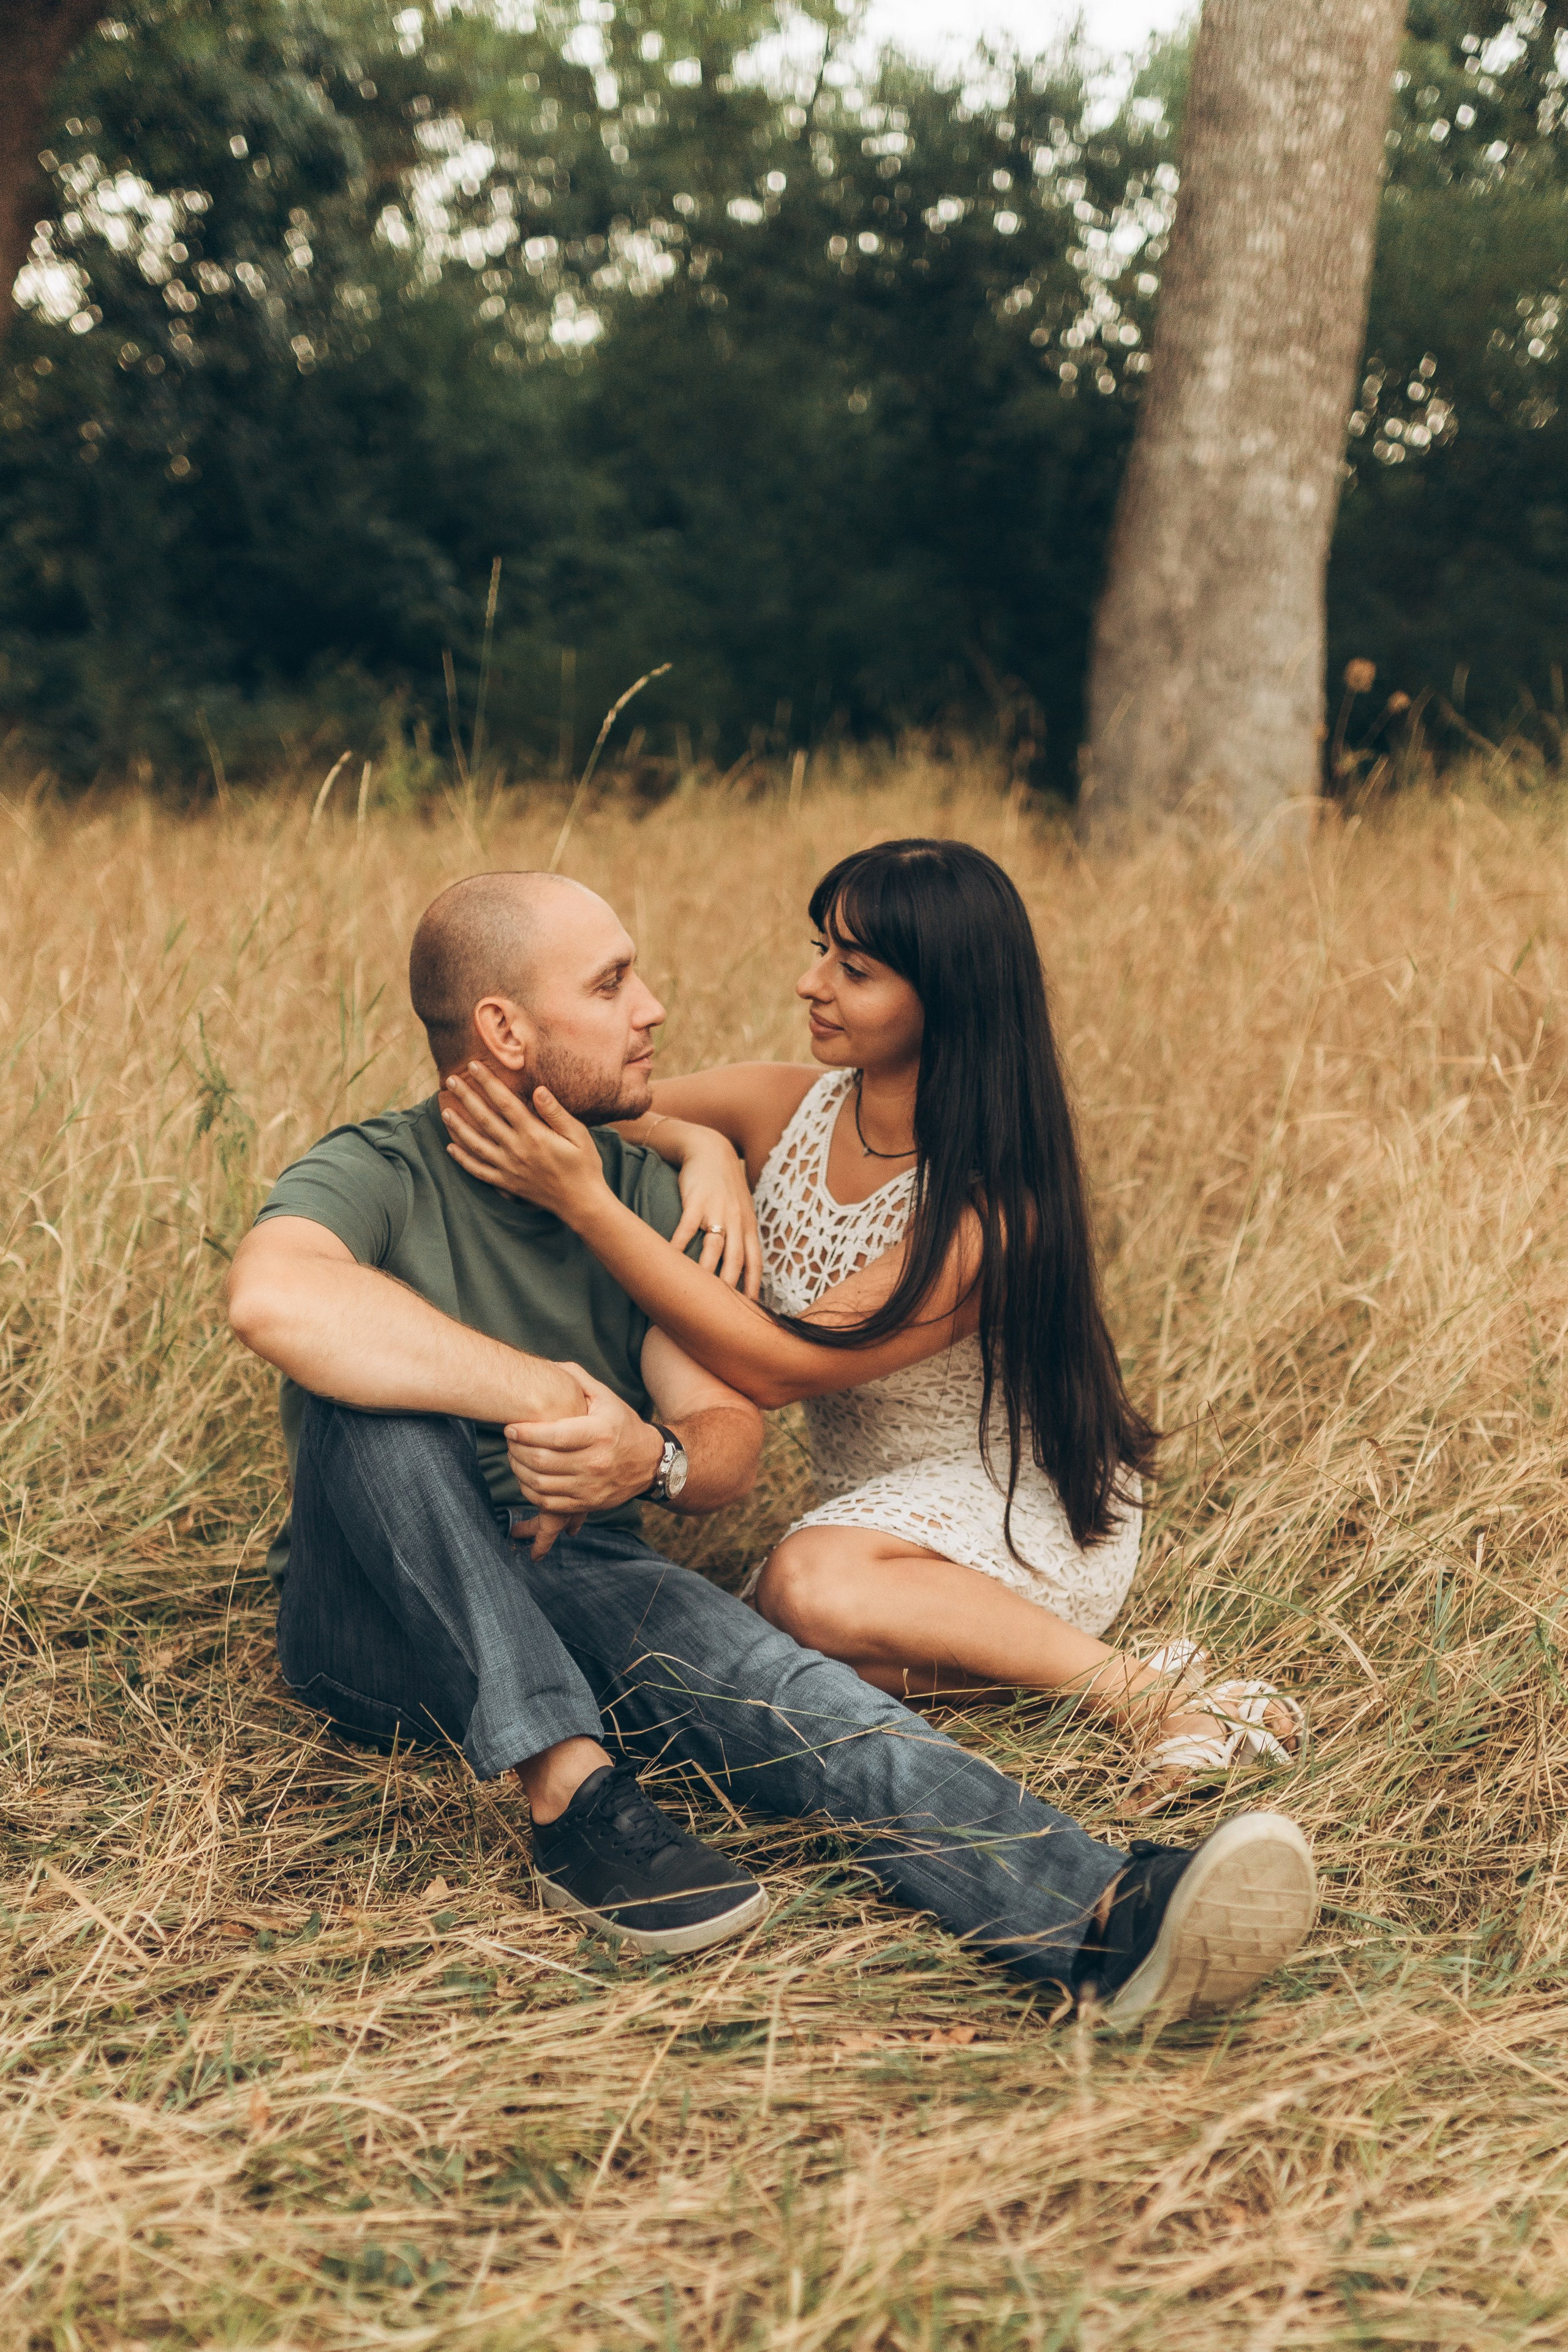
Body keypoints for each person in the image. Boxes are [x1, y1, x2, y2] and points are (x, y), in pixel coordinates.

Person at [227, 867, 1318, 2025]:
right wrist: (550, 1395)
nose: (653, 1006)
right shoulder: (377, 1171)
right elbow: (275, 1301)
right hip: (376, 1619)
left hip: (575, 1575)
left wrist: (649, 1463)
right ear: (504, 1028)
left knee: (792, 1691)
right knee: (368, 1395)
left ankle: (1106, 1917)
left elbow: (731, 1434)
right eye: (613, 984)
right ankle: (574, 1795)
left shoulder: (647, 1193)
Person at [439, 840, 1302, 1806]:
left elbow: (780, 1368)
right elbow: (595, 1105)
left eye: (855, 970)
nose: (812, 984)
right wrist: (701, 1147)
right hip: (864, 1511)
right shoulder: (781, 1107)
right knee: (785, 1645)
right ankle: (1032, 1666)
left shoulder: (990, 1208)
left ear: (949, 998)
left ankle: (1151, 1694)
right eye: (821, 950)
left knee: (802, 1594)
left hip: (1012, 1504)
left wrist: (591, 1205)